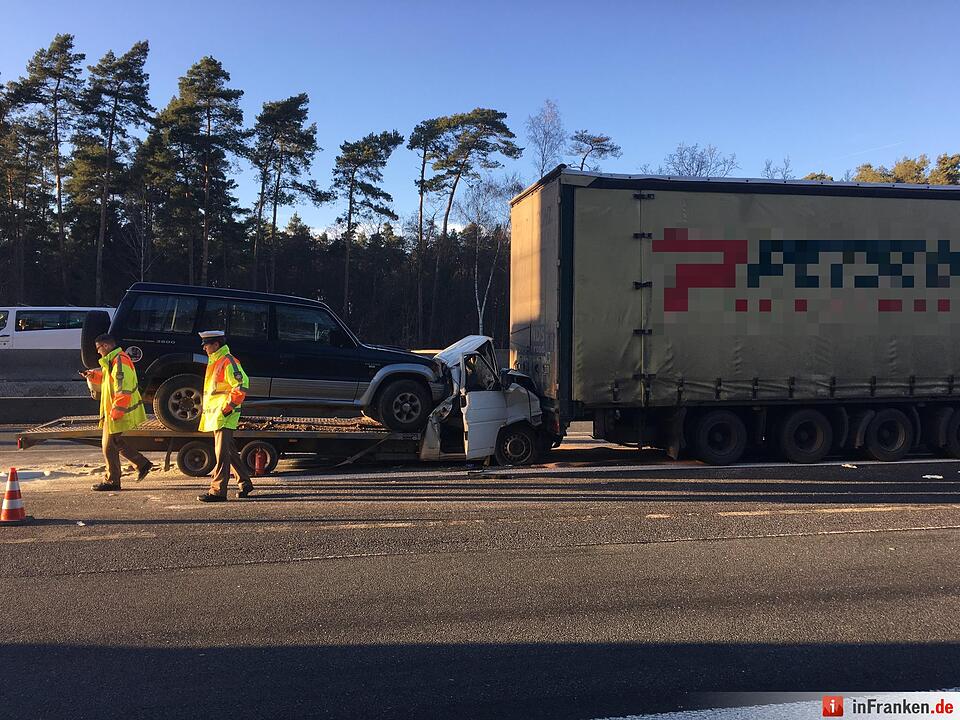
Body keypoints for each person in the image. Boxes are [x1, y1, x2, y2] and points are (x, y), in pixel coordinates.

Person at [81, 334, 152, 491]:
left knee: (108, 446)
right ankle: (142, 464)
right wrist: (93, 375)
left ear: (105, 346)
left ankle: (112, 481)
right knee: (116, 443)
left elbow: (123, 388)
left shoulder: (119, 361)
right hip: (114, 410)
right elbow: (108, 380)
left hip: (117, 411)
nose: (98, 352)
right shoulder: (113, 361)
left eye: (98, 348)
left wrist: (117, 411)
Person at [196, 330, 254, 502]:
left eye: (206, 345)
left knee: (221, 453)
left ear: (216, 344)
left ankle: (217, 491)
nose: (204, 348)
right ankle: (245, 483)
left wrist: (227, 408)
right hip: (220, 414)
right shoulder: (217, 361)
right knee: (228, 451)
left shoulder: (227, 361)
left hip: (225, 414)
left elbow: (242, 385)